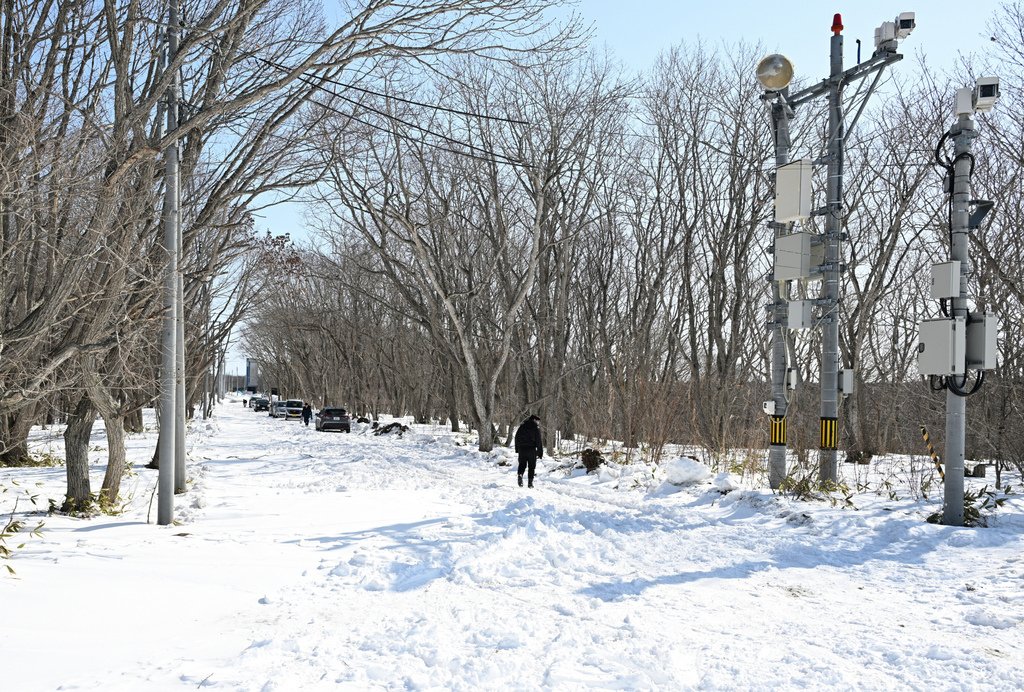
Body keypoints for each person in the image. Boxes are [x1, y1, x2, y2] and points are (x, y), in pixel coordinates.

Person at [513, 414, 543, 488]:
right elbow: (539, 441)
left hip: (522, 449)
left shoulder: (522, 426)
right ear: (534, 420)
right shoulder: (535, 428)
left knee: (522, 464)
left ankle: (520, 475)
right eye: (537, 421)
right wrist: (540, 452)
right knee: (531, 466)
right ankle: (530, 483)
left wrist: (517, 449)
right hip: (531, 449)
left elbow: (516, 437)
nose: (538, 423)